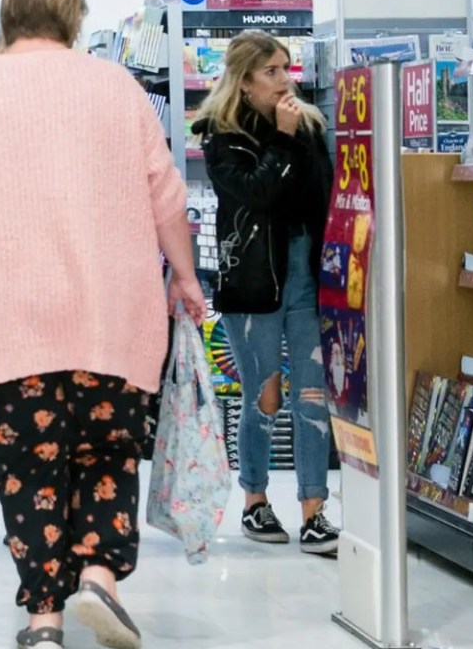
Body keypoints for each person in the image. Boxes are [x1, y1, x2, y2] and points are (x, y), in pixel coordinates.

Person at [0, 0, 205, 649]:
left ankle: (44, 621)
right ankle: (99, 576)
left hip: (8, 325)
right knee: (107, 453)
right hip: (113, 322)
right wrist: (185, 278)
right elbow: (167, 196)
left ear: (6, 13)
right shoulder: (117, 88)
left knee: (29, 470)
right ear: (73, 14)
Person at [194, 30, 340, 556]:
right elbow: (255, 193)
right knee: (263, 397)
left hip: (305, 274)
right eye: (273, 71)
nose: (286, 80)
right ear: (246, 80)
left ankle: (314, 511)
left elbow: (320, 196)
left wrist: (298, 137)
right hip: (254, 283)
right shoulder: (219, 135)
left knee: (311, 395)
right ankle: (255, 500)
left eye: (287, 68)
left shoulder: (307, 125)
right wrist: (280, 139)